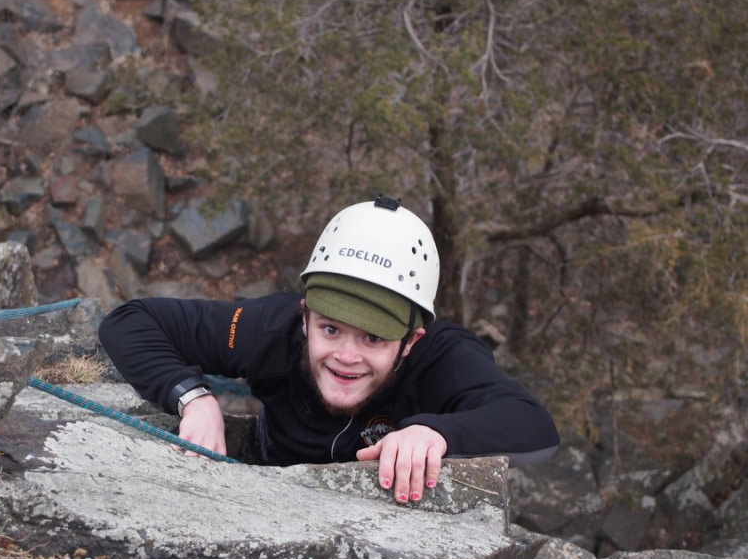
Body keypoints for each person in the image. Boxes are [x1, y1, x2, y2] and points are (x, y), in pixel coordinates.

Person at [98, 196, 560, 506]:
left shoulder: (442, 358)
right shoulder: (273, 330)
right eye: (331, 328)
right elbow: (133, 321)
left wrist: (435, 434)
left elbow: (532, 426)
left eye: (374, 338)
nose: (346, 356)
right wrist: (192, 398)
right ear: (305, 317)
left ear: (409, 343)